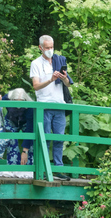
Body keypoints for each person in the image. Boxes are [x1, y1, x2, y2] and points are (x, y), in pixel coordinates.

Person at [29, 35, 73, 180]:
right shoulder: (35, 63)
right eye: (47, 47)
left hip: (59, 104)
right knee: (45, 139)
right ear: (40, 48)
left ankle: (58, 169)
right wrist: (50, 79)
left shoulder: (59, 60)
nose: (50, 50)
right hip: (44, 106)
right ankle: (42, 168)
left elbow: (68, 84)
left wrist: (64, 77)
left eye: (52, 47)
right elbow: (35, 86)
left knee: (59, 139)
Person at [0, 88, 34, 165]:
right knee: (11, 141)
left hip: (25, 122)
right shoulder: (7, 98)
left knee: (31, 143)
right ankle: (12, 167)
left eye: (21, 103)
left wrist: (25, 151)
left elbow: (30, 129)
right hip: (11, 120)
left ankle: (29, 168)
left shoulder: (30, 107)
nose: (18, 106)